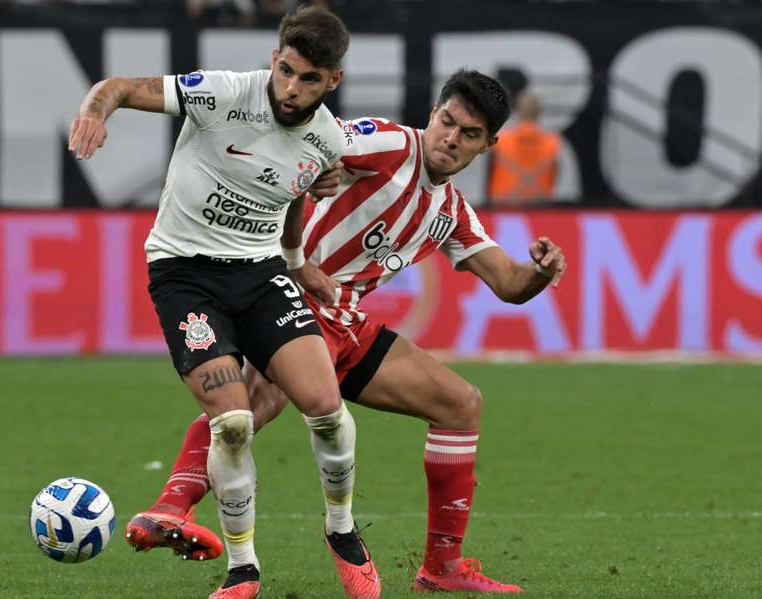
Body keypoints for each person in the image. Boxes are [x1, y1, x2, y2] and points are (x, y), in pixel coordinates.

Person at [126, 69, 567, 593]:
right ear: (432, 113)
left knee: (460, 404)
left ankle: (441, 567)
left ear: (489, 144)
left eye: (469, 134)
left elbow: (509, 283)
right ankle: (170, 508)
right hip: (288, 296)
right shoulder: (386, 142)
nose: (452, 138)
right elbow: (309, 145)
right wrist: (311, 189)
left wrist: (539, 271)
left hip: (346, 322)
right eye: (447, 122)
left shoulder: (450, 212)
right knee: (253, 401)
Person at [68, 7, 381, 599]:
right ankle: (243, 570)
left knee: (327, 408)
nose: (291, 89)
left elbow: (292, 198)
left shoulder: (328, 141)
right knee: (233, 422)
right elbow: (120, 87)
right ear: (273, 57)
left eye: (308, 79)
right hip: (185, 275)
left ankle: (340, 529)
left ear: (332, 81)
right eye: (285, 70)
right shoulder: (220, 94)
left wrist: (294, 259)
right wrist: (93, 112)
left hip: (261, 274)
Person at [487, 90, 562, 207]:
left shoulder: (499, 141)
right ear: (539, 112)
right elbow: (556, 176)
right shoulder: (553, 142)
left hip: (503, 206)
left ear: (516, 110)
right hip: (541, 207)